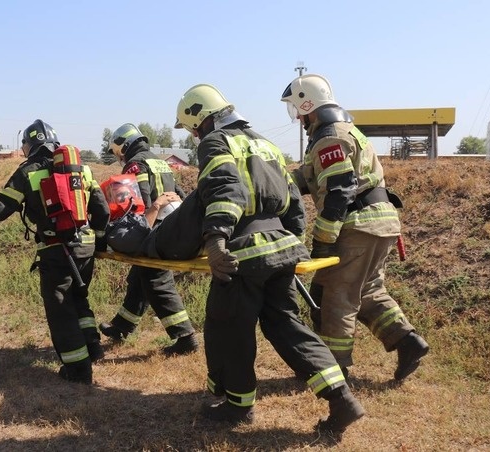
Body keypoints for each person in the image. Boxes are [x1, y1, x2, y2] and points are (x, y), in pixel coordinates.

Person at [174, 83, 365, 435]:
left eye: (193, 128)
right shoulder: (267, 144)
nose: (195, 135)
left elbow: (223, 188)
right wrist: (293, 245)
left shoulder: (216, 143)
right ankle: (341, 396)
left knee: (231, 326)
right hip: (280, 248)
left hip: (241, 252)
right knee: (286, 324)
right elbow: (293, 201)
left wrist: (215, 239)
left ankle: (238, 405)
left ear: (202, 119)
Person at [280, 73, 429, 381]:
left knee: (336, 295)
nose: (298, 119)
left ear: (309, 104)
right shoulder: (346, 131)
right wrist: (275, 179)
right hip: (381, 221)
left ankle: (334, 370)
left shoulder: (329, 137)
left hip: (357, 225)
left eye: (298, 110)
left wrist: (323, 239)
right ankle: (407, 341)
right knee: (369, 290)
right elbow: (312, 179)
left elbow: (338, 191)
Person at [0, 119, 111, 385]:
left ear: (30, 144)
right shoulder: (80, 168)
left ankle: (78, 369)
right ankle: (93, 348)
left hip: (56, 248)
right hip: (85, 247)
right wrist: (100, 240)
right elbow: (102, 208)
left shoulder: (28, 171)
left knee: (60, 308)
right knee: (78, 297)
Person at [98, 123, 199, 356]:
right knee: (140, 275)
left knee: (156, 279)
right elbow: (180, 194)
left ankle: (185, 336)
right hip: (172, 224)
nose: (120, 157)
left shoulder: (136, 164)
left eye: (118, 152)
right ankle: (122, 326)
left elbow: (138, 200)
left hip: (153, 226)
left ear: (124, 146)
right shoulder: (160, 161)